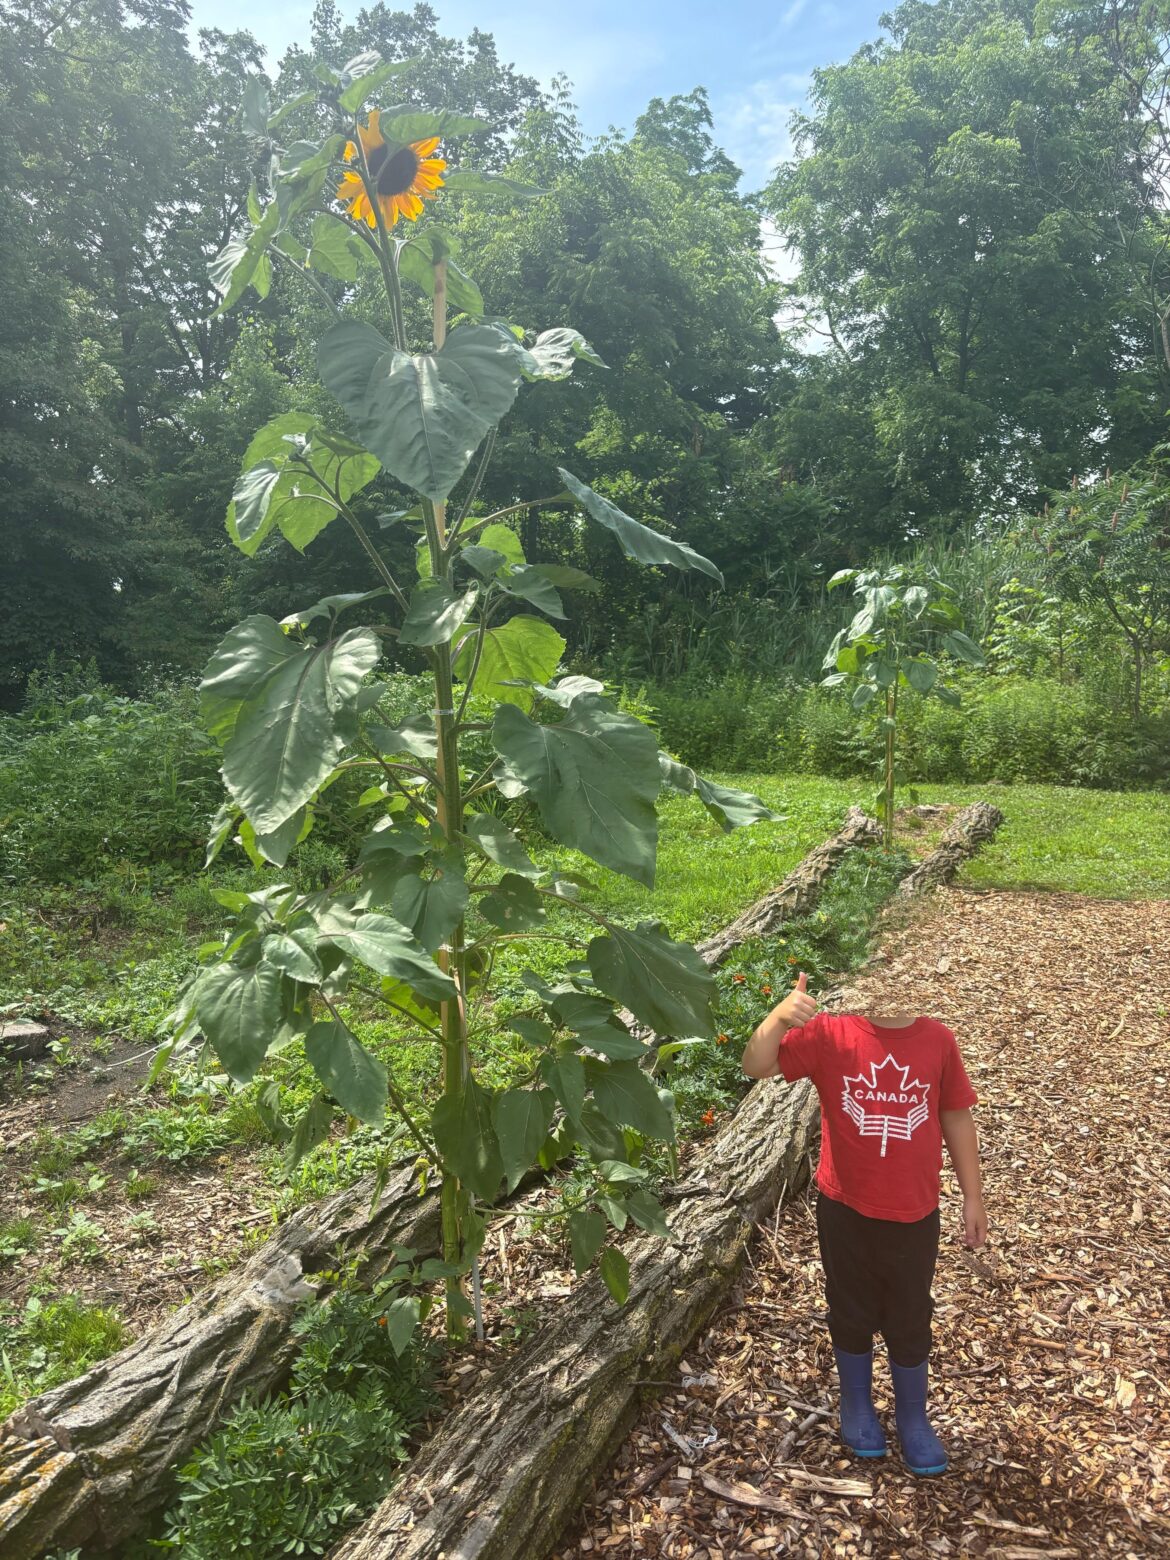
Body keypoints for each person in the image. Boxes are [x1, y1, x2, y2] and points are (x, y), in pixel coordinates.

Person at [741, 971, 987, 1476]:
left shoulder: (937, 1040)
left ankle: (913, 1418)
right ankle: (856, 1405)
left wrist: (973, 1196)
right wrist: (779, 1017)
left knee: (910, 1316)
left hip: (914, 1214)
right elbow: (756, 1065)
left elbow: (956, 1115)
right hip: (845, 1209)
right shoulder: (831, 1034)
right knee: (850, 1310)